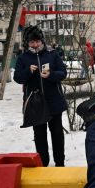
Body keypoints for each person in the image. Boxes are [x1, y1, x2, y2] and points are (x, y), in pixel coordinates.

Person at [14, 25, 68, 167]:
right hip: (35, 104)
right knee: (39, 135)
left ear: (42, 40)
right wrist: (28, 71)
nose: (36, 44)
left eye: (38, 41)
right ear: (27, 43)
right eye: (32, 42)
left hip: (54, 101)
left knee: (57, 134)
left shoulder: (52, 54)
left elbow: (63, 73)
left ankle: (60, 163)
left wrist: (51, 75)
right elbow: (18, 78)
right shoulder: (23, 58)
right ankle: (43, 163)